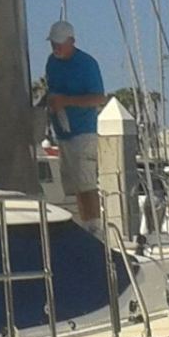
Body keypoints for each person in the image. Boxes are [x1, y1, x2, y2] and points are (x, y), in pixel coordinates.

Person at [42, 20, 108, 231]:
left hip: (83, 131)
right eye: (53, 43)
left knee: (86, 182)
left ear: (72, 41)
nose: (56, 48)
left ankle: (94, 227)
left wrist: (67, 101)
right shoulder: (51, 62)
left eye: (60, 43)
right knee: (70, 183)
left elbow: (98, 98)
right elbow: (51, 89)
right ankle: (79, 225)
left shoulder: (87, 64)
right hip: (62, 132)